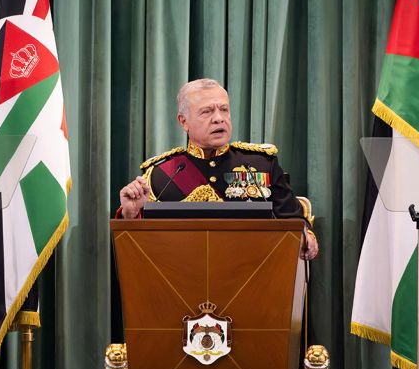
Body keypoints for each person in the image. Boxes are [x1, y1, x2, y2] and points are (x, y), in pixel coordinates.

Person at [117, 78, 320, 260]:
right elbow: (142, 250)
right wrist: (130, 215)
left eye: (224, 109)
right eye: (207, 111)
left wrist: (306, 237)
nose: (218, 118)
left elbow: (293, 220)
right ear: (183, 122)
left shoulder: (261, 164)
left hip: (253, 277)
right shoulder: (161, 174)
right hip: (182, 282)